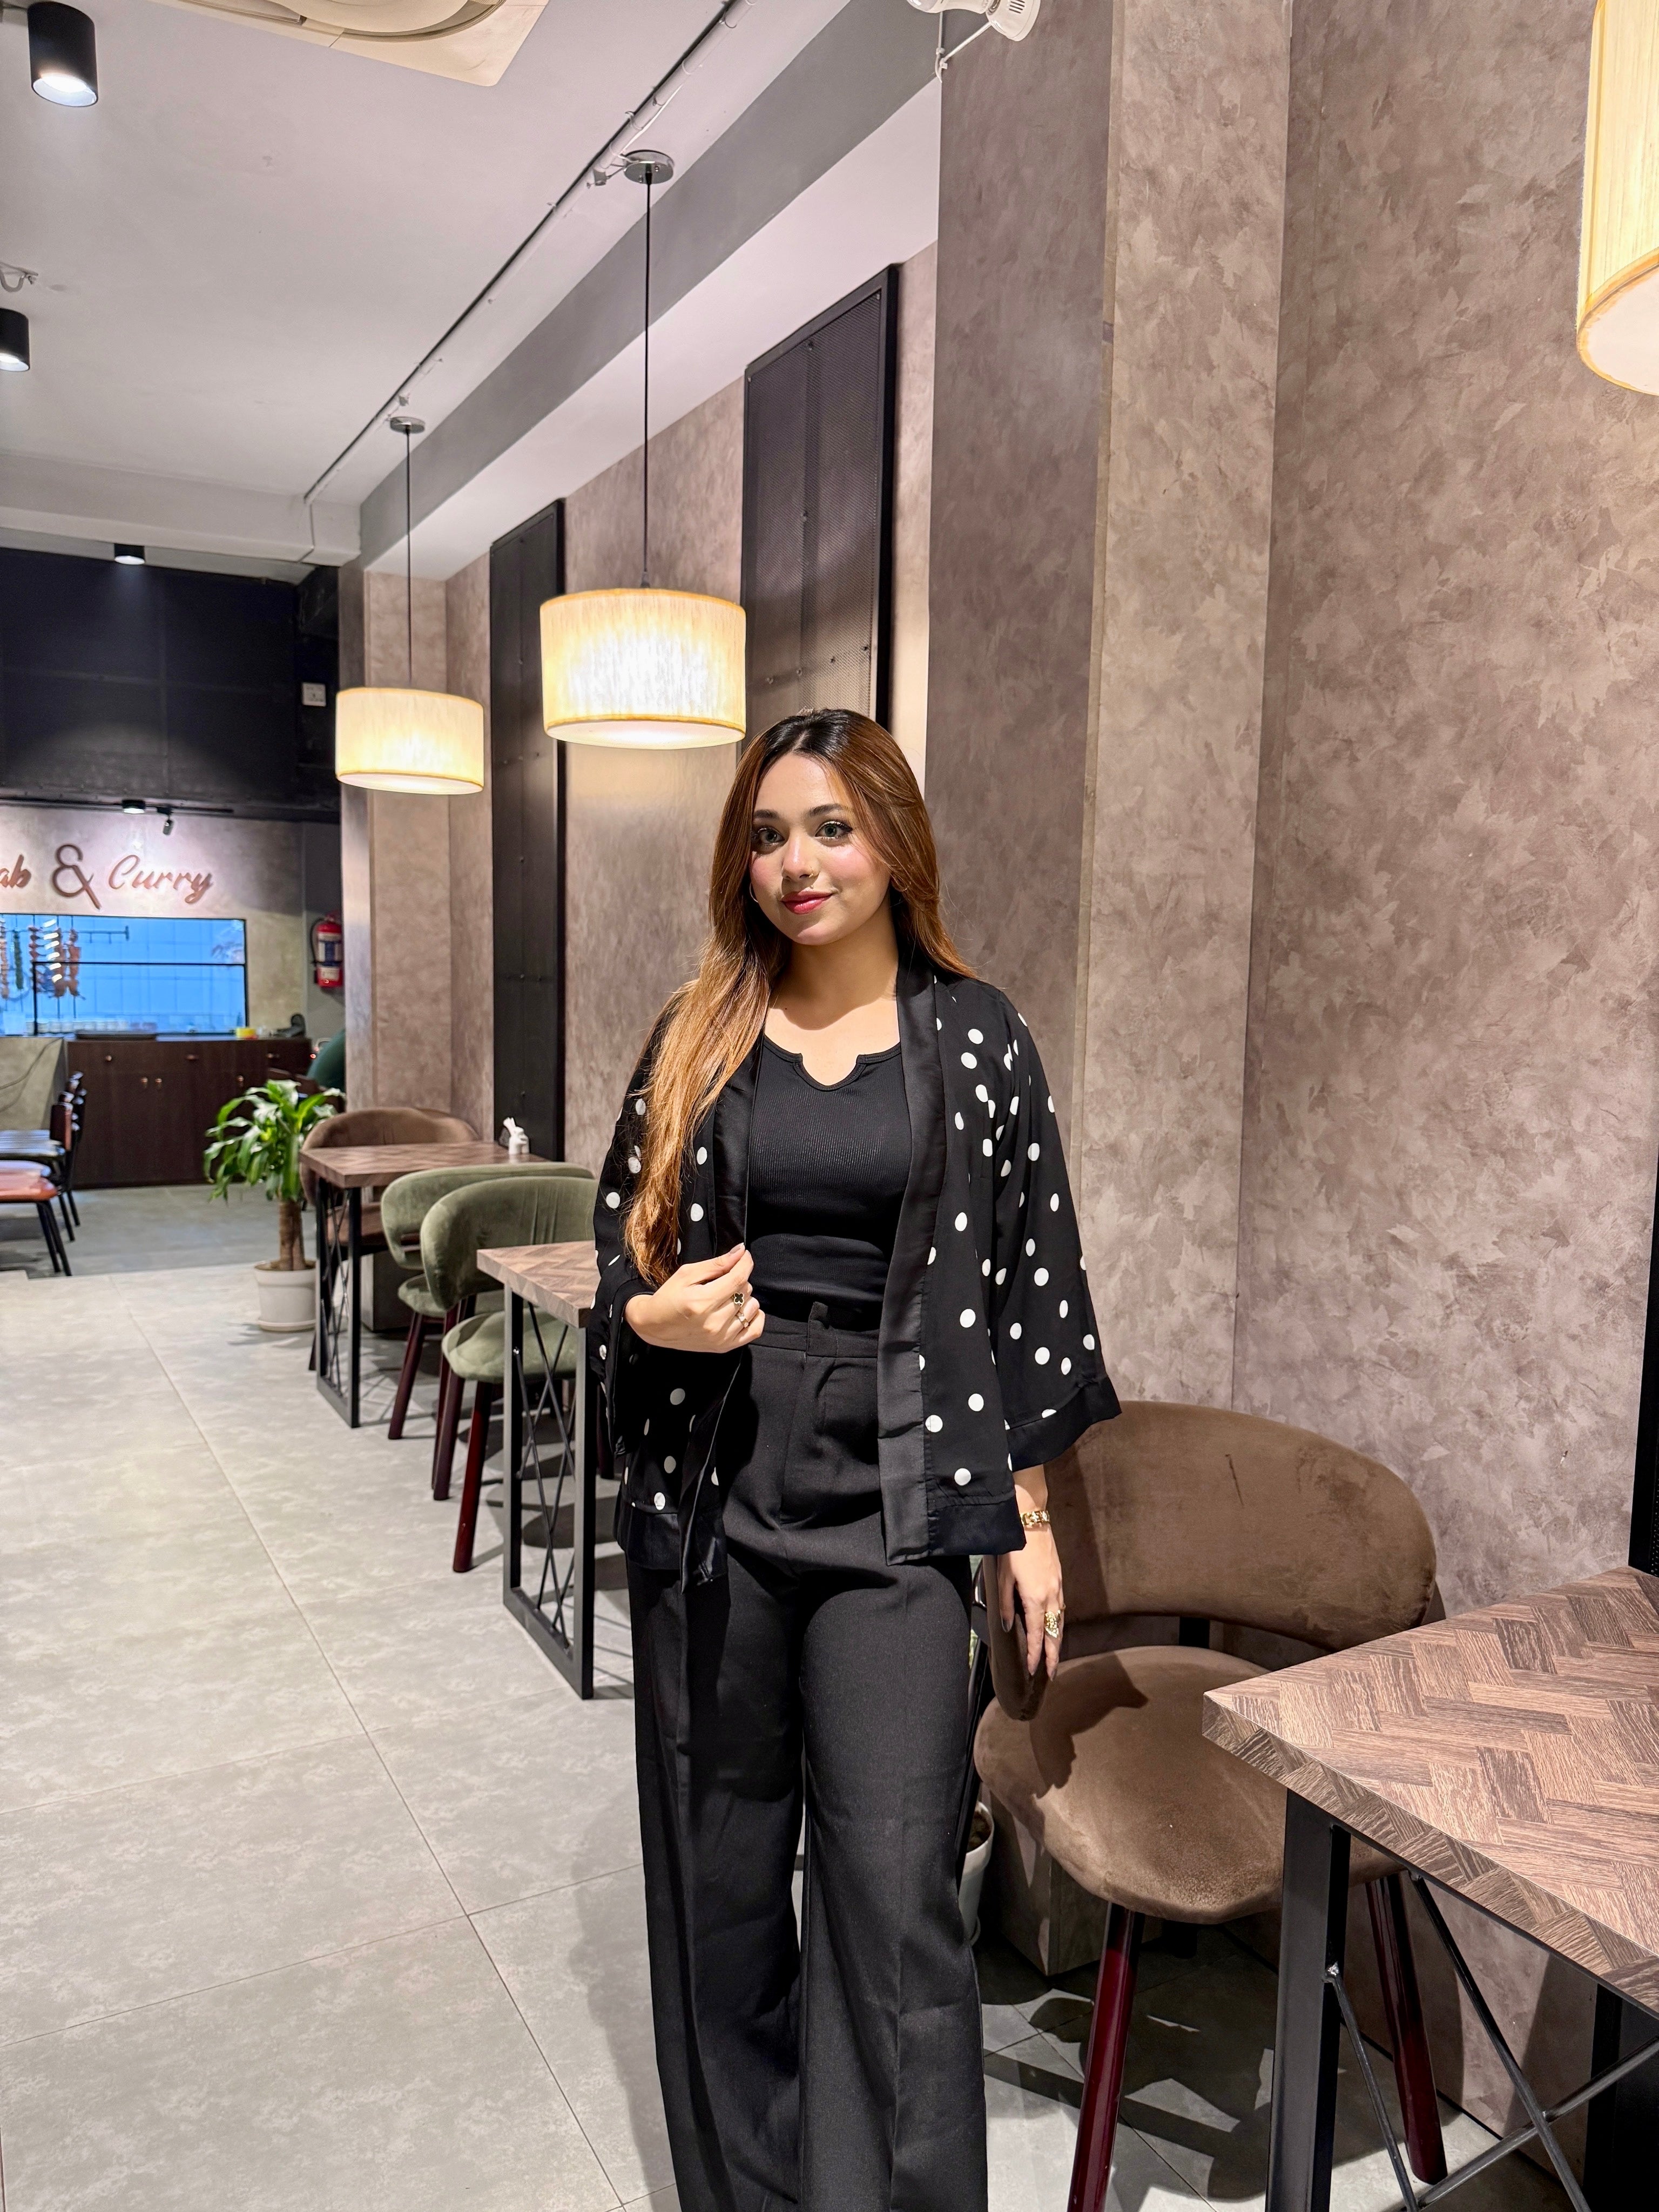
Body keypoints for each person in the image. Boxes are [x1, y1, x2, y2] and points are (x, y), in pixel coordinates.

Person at [592, 707, 1117, 2212]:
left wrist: (1027, 1512)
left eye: (829, 828)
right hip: (717, 1490)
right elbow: (614, 1238)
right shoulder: (702, 1028)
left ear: (892, 838)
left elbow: (1032, 1281)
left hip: (901, 1494)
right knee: (727, 1878)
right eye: (766, 835)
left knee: (897, 1897)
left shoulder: (979, 1036)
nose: (795, 864)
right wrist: (654, 1316)